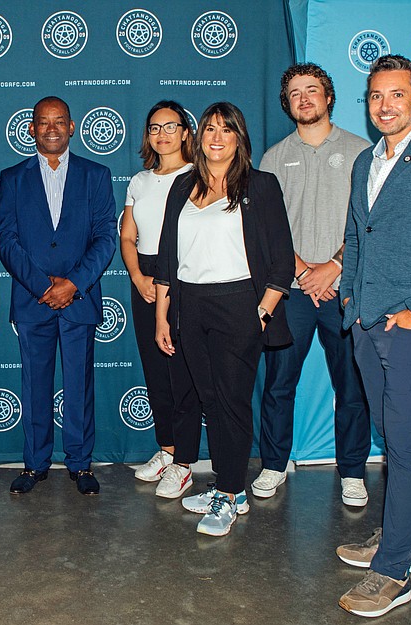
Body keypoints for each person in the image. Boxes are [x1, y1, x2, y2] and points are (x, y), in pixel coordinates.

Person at [336, 55, 411, 618]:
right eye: (375, 96)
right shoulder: (364, 162)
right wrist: (352, 299)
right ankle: (405, 545)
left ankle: (391, 575)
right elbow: (359, 234)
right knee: (390, 437)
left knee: (405, 448)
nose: (384, 106)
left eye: (396, 95)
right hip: (367, 320)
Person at [154, 102, 293, 536]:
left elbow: (282, 261)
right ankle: (228, 488)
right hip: (189, 305)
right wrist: (163, 317)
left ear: (239, 139)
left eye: (226, 130)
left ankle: (230, 495)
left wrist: (262, 312)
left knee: (232, 403)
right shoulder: (182, 186)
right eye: (210, 128)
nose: (216, 137)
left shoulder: (261, 185)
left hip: (238, 304)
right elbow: (166, 260)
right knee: (211, 401)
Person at [253, 64, 371, 506]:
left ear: (329, 97)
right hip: (291, 291)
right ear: (287, 103)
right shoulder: (272, 157)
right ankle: (272, 464)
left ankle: (353, 471)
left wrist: (333, 267)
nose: (304, 99)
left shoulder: (362, 153)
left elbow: (368, 222)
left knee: (353, 386)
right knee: (279, 383)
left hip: (345, 288)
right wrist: (303, 271)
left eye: (312, 91)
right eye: (296, 93)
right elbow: (267, 229)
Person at [0, 96, 116, 496]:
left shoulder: (96, 174)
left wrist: (72, 284)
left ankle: (80, 465)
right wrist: (44, 287)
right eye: (43, 122)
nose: (51, 128)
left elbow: (105, 237)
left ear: (72, 126)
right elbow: (6, 240)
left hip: (79, 299)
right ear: (31, 128)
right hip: (34, 301)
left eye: (59, 121)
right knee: (35, 385)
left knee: (79, 384)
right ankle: (34, 464)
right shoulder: (13, 177)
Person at [121, 101, 202, 498]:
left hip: (187, 276)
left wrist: (167, 280)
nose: (162, 134)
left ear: (187, 132)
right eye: (154, 128)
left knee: (183, 372)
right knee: (156, 370)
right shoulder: (139, 180)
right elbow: (127, 236)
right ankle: (167, 449)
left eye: (171, 126)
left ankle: (185, 462)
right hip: (146, 278)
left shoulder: (200, 177)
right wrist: (138, 278)